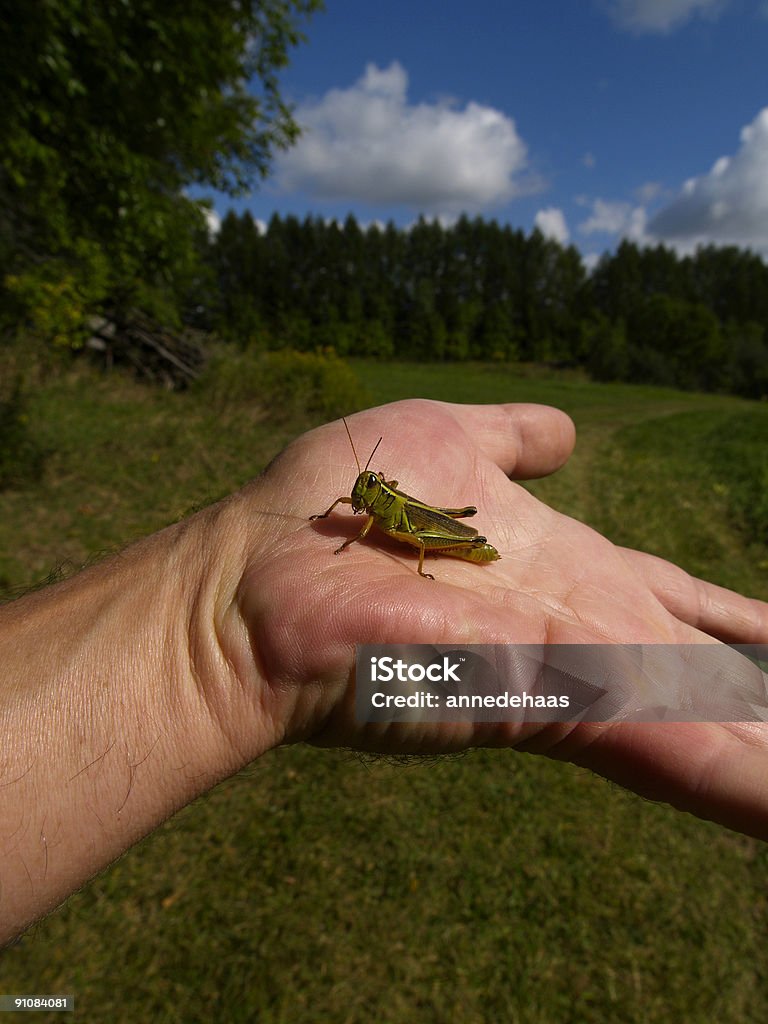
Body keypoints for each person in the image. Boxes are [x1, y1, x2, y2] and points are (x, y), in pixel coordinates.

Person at [1, 398, 766, 944]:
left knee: (433, 532)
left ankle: (458, 547)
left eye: (368, 492)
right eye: (362, 494)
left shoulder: (390, 513)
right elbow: (356, 510)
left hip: (441, 537)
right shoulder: (359, 505)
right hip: (414, 532)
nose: (363, 501)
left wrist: (416, 550)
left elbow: (398, 526)